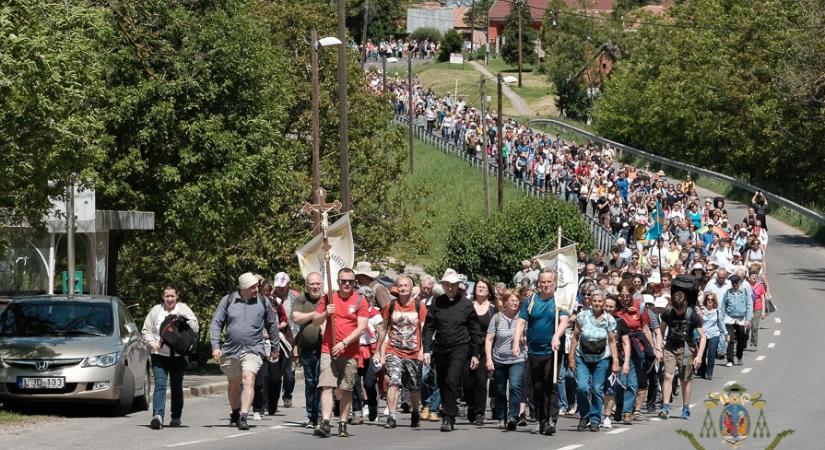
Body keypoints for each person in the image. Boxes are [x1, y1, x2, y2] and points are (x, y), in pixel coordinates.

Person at [210, 272, 280, 430]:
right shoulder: (228, 300)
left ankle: (243, 416)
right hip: (231, 350)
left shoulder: (263, 301)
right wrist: (215, 346)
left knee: (249, 379)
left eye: (257, 286)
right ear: (243, 288)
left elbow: (272, 325)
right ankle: (235, 412)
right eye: (253, 287)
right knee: (234, 384)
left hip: (253, 349)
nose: (256, 289)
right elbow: (216, 324)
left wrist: (275, 347)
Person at [310, 267, 369, 438]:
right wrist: (325, 314)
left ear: (354, 282)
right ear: (338, 282)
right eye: (343, 281)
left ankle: (343, 423)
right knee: (326, 385)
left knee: (346, 389)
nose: (347, 284)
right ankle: (326, 422)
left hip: (350, 352)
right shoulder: (328, 298)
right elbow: (315, 321)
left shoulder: (360, 300)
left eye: (350, 281)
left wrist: (344, 343)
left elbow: (362, 327)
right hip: (328, 349)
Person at [422, 269, 482, 432]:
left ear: (458, 286)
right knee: (442, 381)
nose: (450, 288)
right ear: (443, 286)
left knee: (452, 379)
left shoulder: (466, 304)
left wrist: (476, 353)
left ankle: (449, 418)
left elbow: (475, 329)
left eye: (453, 285)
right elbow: (429, 327)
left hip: (460, 346)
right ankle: (455, 409)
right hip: (441, 347)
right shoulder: (437, 302)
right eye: (447, 285)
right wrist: (426, 349)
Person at [512, 270, 570, 436]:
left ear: (554, 283)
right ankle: (540, 420)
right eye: (542, 282)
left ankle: (551, 419)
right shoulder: (530, 301)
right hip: (534, 350)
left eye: (549, 282)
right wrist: (516, 342)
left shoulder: (559, 300)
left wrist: (556, 336)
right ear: (538, 283)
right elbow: (522, 322)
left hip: (552, 350)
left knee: (550, 385)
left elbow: (564, 321)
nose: (545, 285)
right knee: (536, 388)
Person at [142, 284, 199, 429]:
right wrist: (152, 343)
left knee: (176, 387)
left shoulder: (184, 309)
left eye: (172, 296)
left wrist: (183, 321)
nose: (169, 299)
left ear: (177, 296)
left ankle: (176, 416)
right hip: (159, 354)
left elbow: (195, 327)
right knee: (160, 385)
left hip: (178, 355)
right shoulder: (156, 311)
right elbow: (146, 330)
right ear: (163, 297)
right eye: (167, 296)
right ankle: (158, 415)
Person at [376, 275, 427, 429]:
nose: (403, 288)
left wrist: (422, 351)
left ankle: (416, 412)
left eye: (406, 285)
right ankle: (392, 415)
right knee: (394, 381)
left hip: (413, 351)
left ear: (412, 288)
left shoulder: (420, 306)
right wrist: (379, 351)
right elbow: (384, 328)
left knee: (414, 386)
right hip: (394, 350)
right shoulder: (391, 306)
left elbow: (425, 331)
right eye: (400, 286)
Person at [568, 290, 619, 432]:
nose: (597, 304)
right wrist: (571, 357)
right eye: (595, 301)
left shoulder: (609, 320)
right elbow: (574, 337)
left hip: (601, 359)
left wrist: (615, 360)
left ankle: (596, 419)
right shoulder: (582, 316)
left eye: (600, 301)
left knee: (597, 389)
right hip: (582, 357)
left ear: (603, 303)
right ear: (591, 301)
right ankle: (585, 415)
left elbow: (612, 341)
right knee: (582, 387)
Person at [658, 290, 706, 420]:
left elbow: (702, 337)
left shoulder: (692, 315)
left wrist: (699, 356)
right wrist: (659, 347)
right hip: (670, 348)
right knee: (668, 375)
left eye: (681, 308)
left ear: (685, 305)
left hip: (686, 349)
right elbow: (660, 331)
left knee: (685, 379)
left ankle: (685, 408)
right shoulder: (668, 313)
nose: (679, 311)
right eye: (676, 308)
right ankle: (665, 406)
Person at [485, 292, 526, 431]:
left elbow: (529, 335)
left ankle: (513, 417)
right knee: (500, 390)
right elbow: (489, 339)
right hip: (499, 359)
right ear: (505, 302)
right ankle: (502, 417)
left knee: (515, 386)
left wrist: (524, 339)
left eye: (517, 301)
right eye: (512, 300)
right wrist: (489, 359)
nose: (515, 303)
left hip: (517, 359)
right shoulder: (497, 318)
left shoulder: (523, 318)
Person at [291, 272, 324, 428]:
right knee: (310, 382)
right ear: (307, 285)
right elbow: (296, 318)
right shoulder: (302, 298)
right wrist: (316, 314)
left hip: (324, 348)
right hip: (307, 349)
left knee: (321, 382)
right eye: (312, 284)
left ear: (322, 284)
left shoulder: (328, 299)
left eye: (318, 283)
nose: (315, 286)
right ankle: (311, 416)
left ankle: (320, 415)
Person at [464, 278, 496, 425]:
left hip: (485, 348)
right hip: (468, 347)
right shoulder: (467, 306)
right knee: (468, 382)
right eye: (479, 287)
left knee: (481, 381)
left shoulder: (493, 309)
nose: (481, 289)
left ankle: (480, 413)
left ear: (489, 291)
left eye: (484, 287)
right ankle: (470, 405)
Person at [719, 274, 753, 367]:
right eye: (733, 284)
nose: (735, 285)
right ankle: (730, 360)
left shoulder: (745, 292)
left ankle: (739, 356)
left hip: (741, 319)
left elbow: (749, 306)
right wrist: (721, 318)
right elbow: (723, 307)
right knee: (730, 339)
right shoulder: (728, 293)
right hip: (729, 319)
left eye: (736, 283)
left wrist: (748, 319)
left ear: (739, 283)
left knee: (741, 340)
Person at [698, 293, 725, 380]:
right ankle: (702, 371)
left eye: (712, 300)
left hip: (714, 334)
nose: (710, 301)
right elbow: (697, 323)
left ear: (714, 301)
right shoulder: (701, 311)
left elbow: (721, 324)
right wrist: (700, 315)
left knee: (711, 354)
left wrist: (726, 333)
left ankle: (709, 373)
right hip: (703, 335)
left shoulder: (717, 311)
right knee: (702, 354)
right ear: (705, 300)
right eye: (708, 299)